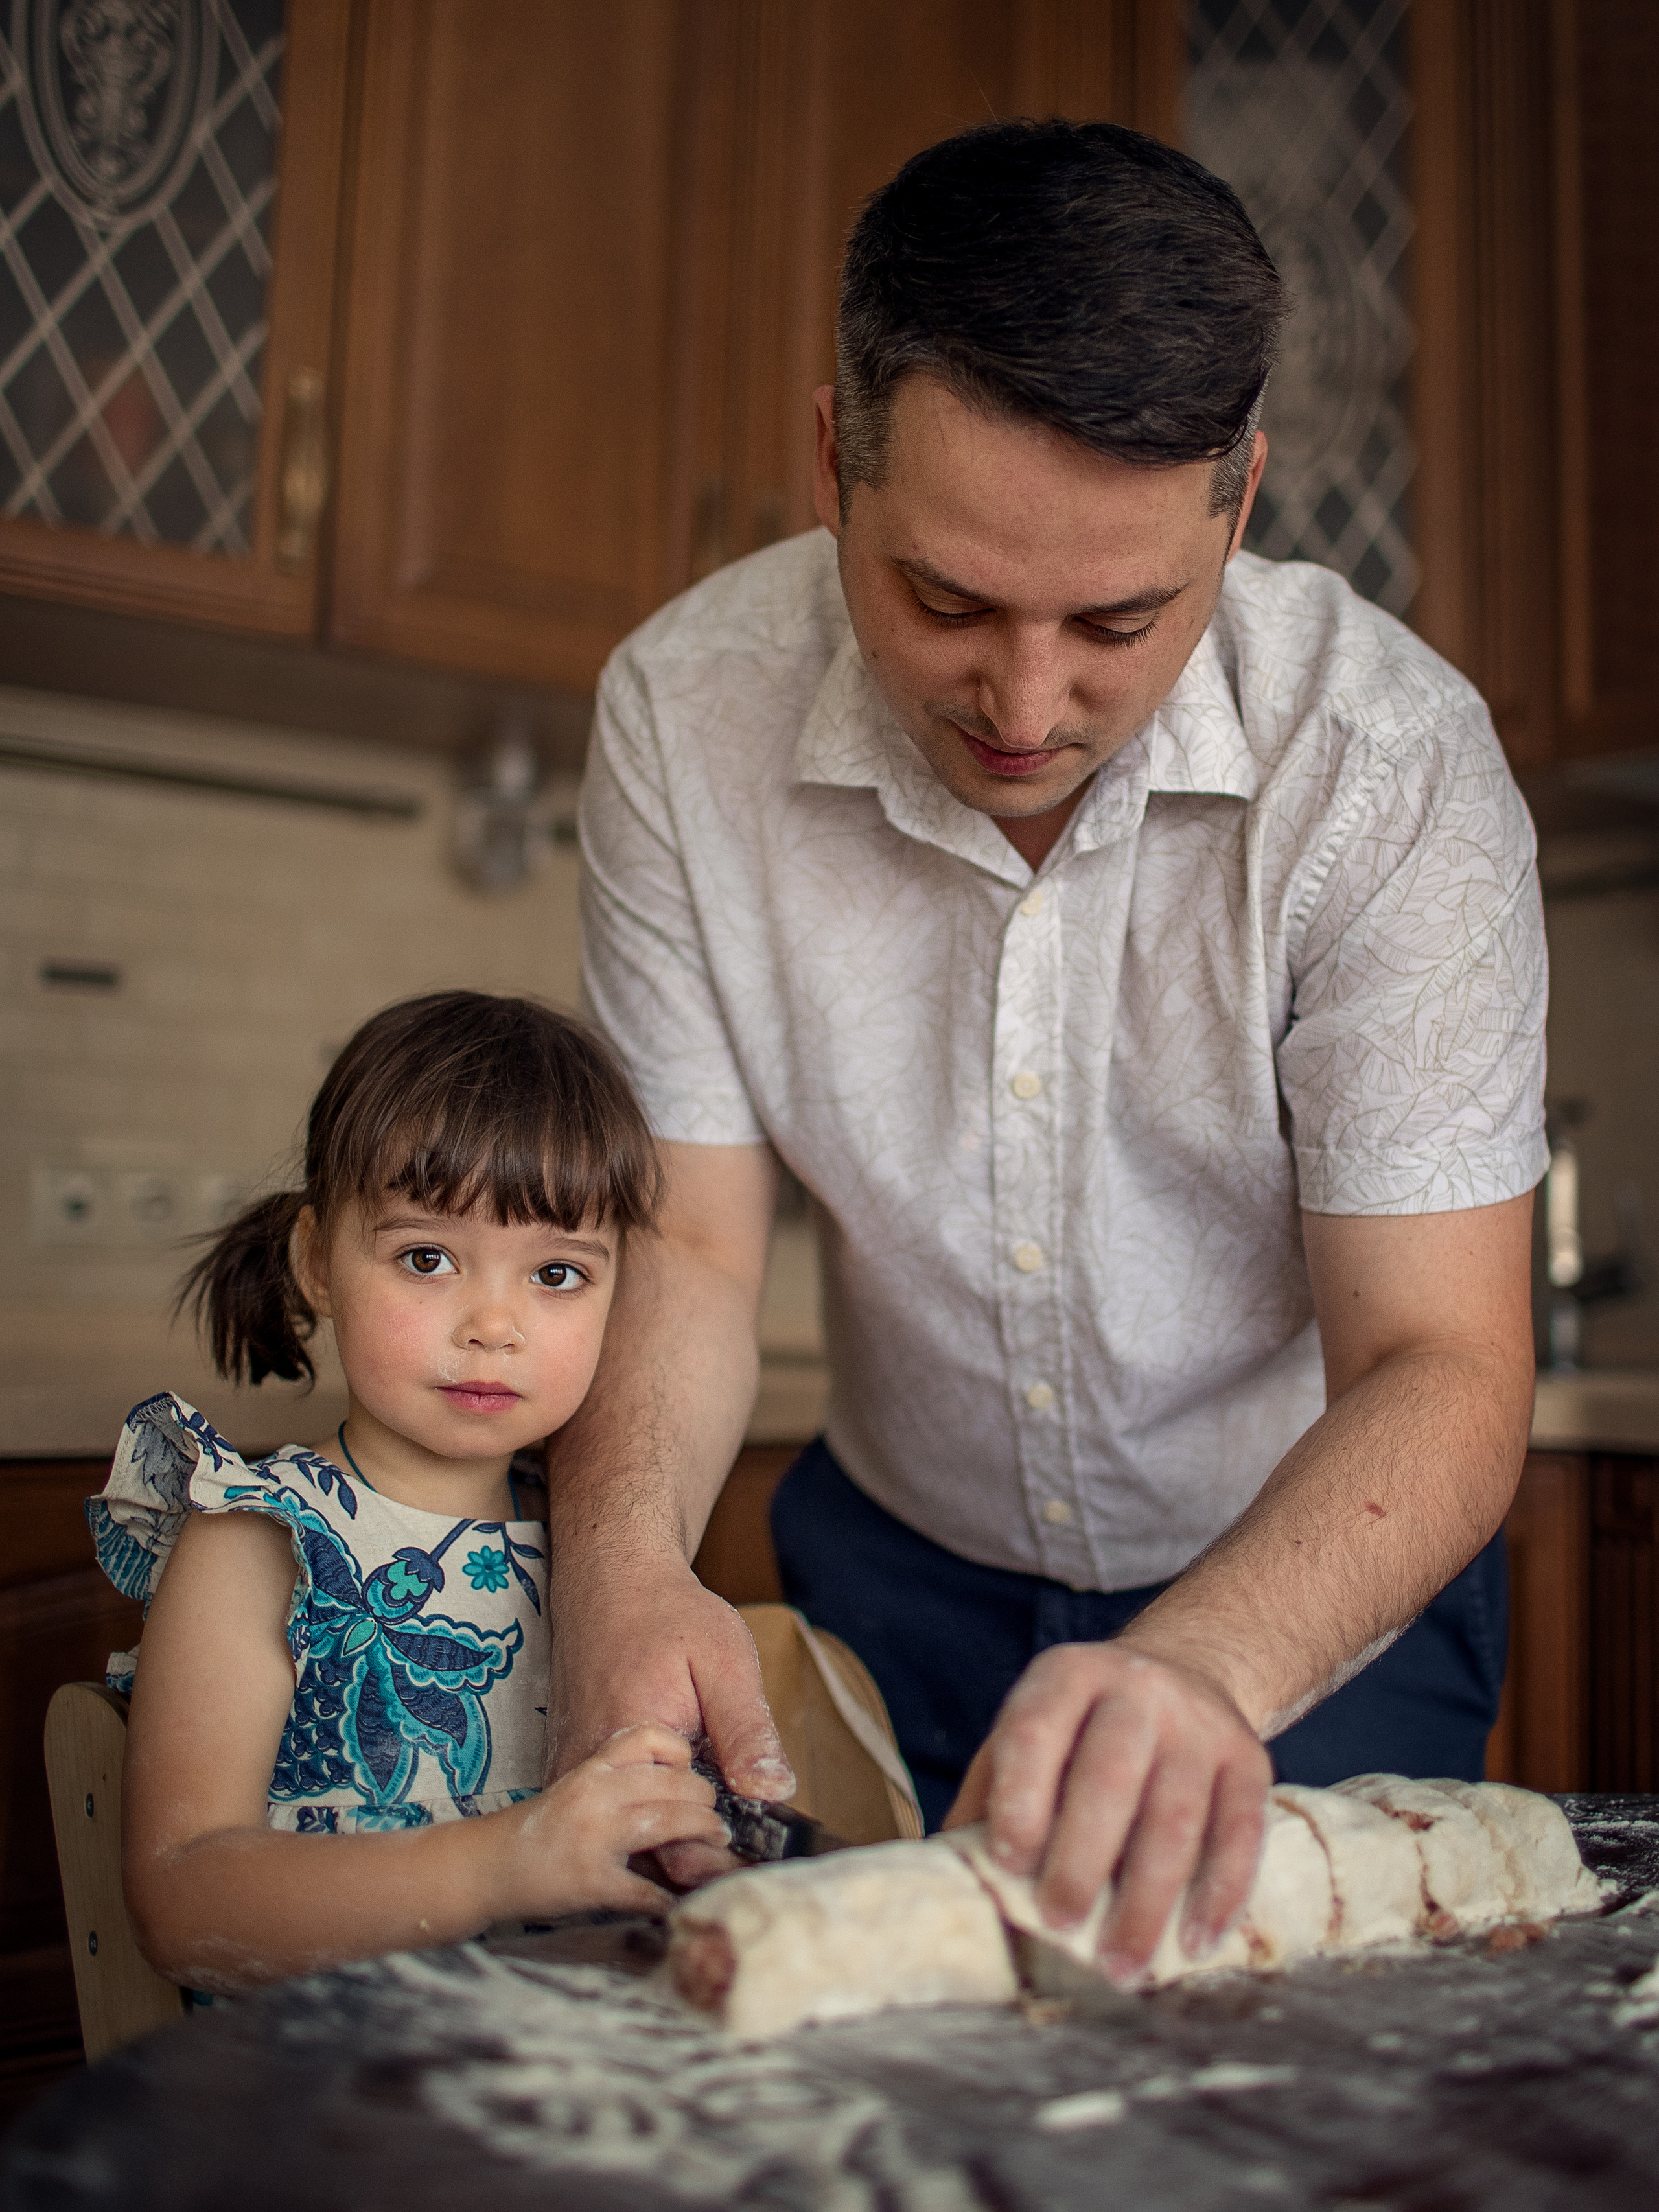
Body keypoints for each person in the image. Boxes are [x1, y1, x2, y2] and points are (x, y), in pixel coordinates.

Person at [548, 116, 1545, 1988]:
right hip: (889, 1569)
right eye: (945, 600)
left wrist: (1195, 1663)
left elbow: (1447, 1358)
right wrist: (618, 1565)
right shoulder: (684, 714)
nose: (1023, 702)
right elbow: (683, 1238)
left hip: (1310, 1577)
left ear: (1238, 503)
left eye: (1117, 620)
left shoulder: (1392, 767)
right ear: (834, 455)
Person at [89, 992, 730, 1991]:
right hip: (330, 2101)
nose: (493, 1322)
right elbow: (180, 1899)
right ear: (317, 1262)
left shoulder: (604, 1548)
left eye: (558, 1273)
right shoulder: (257, 1541)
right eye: (427, 1257)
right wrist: (506, 1863)